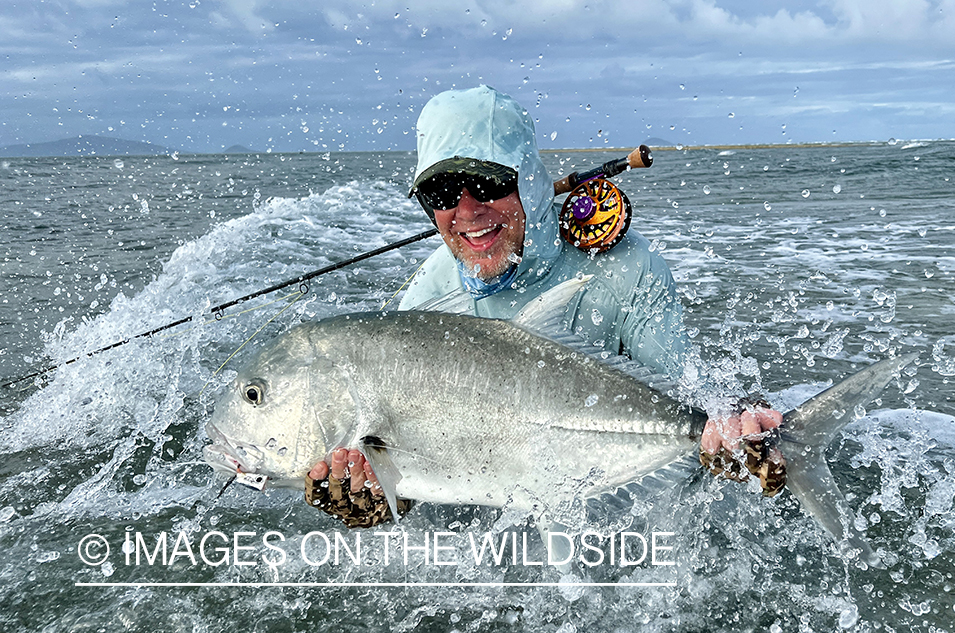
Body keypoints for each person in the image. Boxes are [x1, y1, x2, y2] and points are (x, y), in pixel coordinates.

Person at [303, 86, 785, 528]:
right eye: (443, 193)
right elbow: (413, 455)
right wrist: (386, 497)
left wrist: (736, 431)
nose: (468, 212)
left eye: (488, 183)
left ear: (530, 182)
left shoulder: (626, 267)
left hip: (626, 514)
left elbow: (690, 398)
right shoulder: (429, 298)